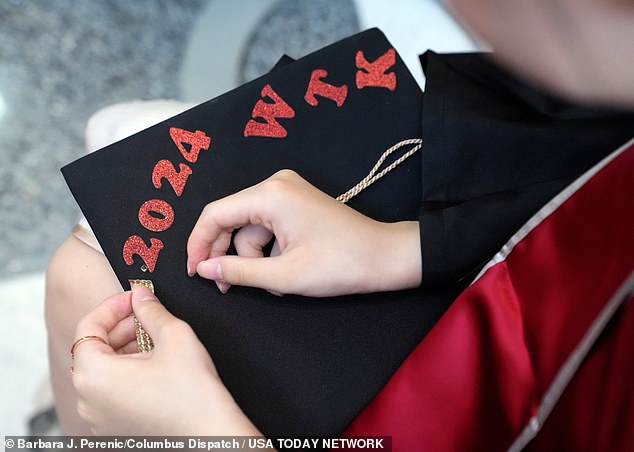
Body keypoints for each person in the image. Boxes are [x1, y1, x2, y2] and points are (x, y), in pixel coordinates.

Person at [46, 0, 634, 440]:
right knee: (88, 256)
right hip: (501, 295)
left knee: (84, 282)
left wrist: (205, 432)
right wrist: (409, 248)